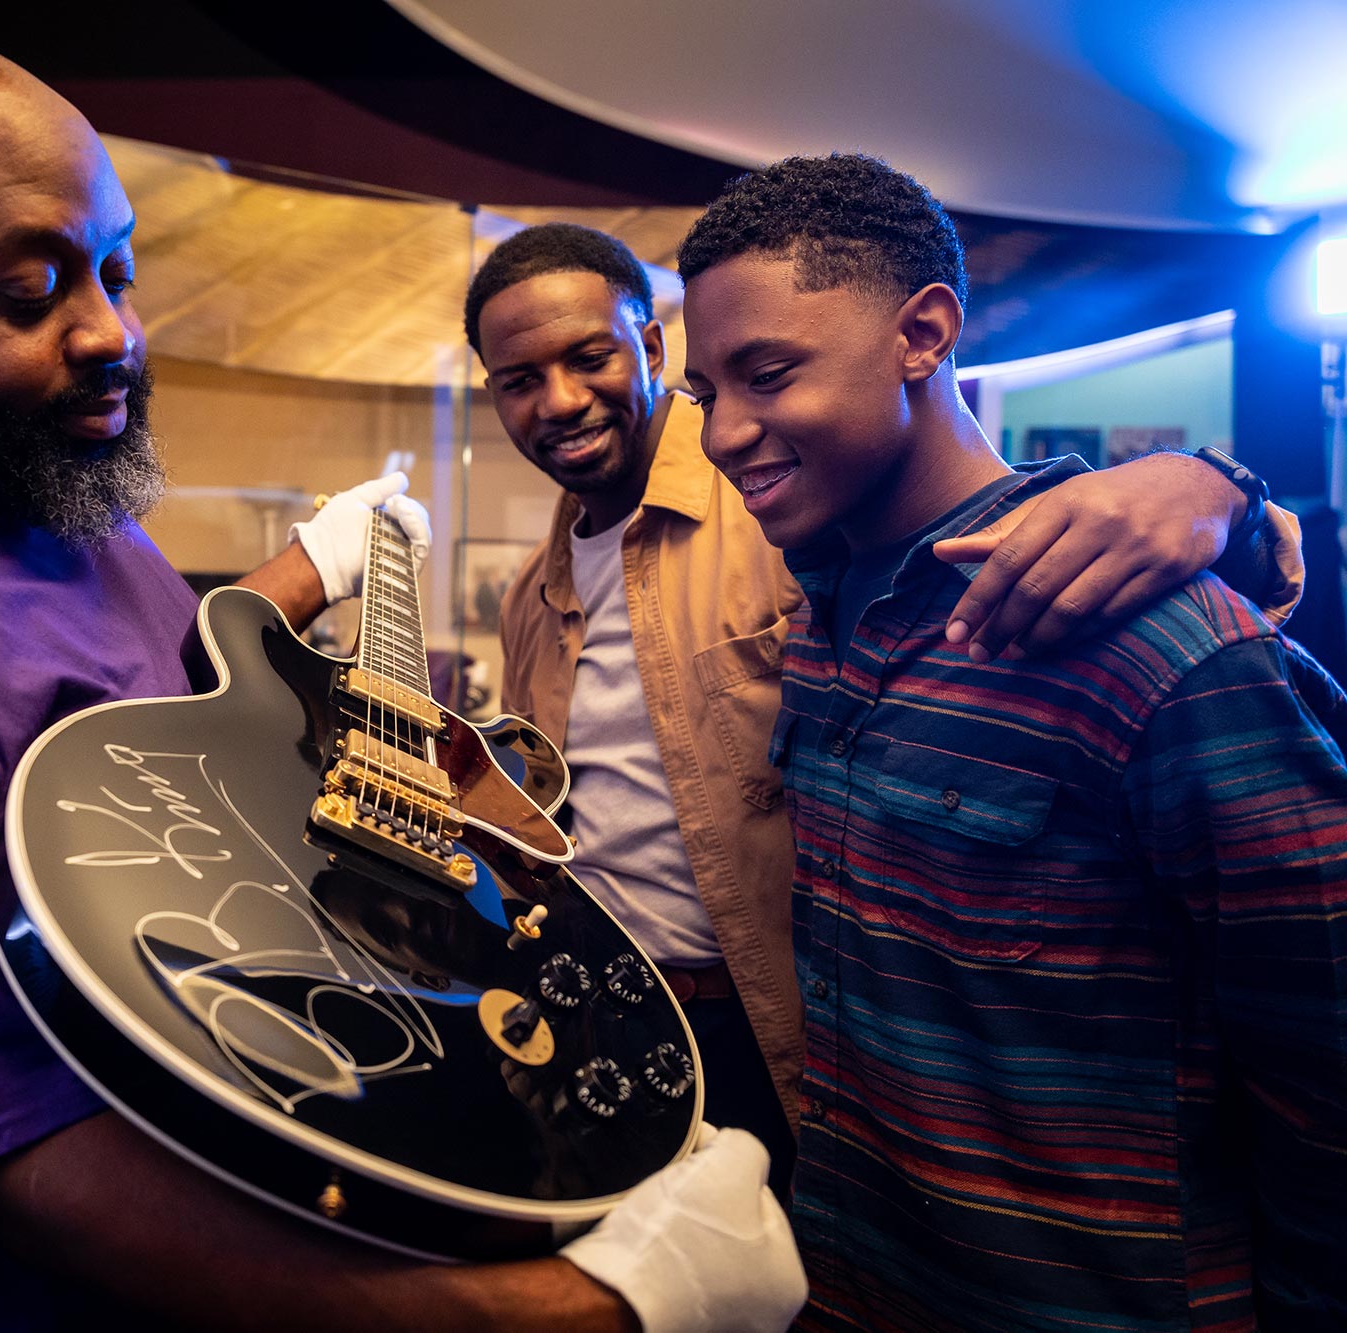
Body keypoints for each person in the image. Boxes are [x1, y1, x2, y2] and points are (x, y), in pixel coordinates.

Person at [0, 38, 806, 1333]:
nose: (111, 332)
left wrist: (328, 632)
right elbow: (12, 1168)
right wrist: (597, 1305)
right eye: (30, 291)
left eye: (117, 269)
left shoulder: (28, 477)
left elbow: (183, 691)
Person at [464, 225, 1304, 1200]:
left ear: (648, 349)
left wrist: (1216, 488)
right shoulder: (534, 590)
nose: (558, 400)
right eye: (518, 379)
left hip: (786, 1030)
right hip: (611, 1012)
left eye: (587, 356)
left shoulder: (779, 500)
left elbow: (1009, 531)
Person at [676, 151, 1347, 1330]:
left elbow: (1323, 1068)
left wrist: (1219, 492)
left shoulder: (1158, 640)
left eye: (767, 374)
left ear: (922, 334)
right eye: (702, 394)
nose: (725, 432)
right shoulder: (825, 615)